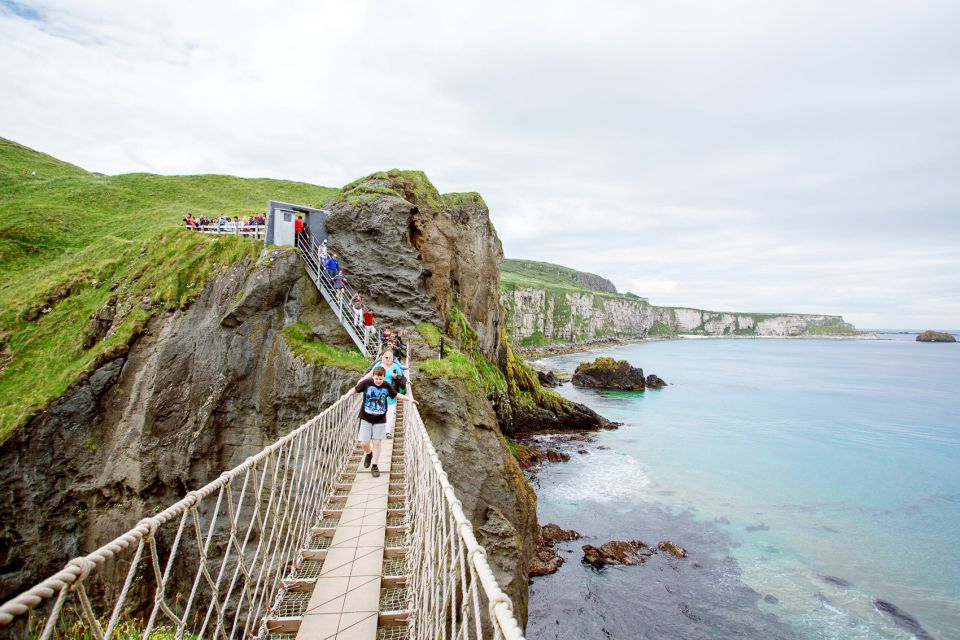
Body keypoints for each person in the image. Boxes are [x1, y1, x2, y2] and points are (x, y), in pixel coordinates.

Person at [354, 366, 417, 477]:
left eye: (381, 379)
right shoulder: (367, 383)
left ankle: (375, 466)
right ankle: (369, 454)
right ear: (373, 376)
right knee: (364, 443)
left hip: (380, 419)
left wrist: (409, 399)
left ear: (384, 378)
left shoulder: (386, 386)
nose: (378, 381)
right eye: (376, 378)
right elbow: (355, 389)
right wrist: (345, 396)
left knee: (377, 443)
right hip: (365, 417)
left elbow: (396, 395)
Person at [361, 351, 407, 440]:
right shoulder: (378, 365)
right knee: (377, 411)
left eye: (390, 357)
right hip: (377, 393)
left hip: (390, 392)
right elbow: (370, 374)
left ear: (393, 358)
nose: (388, 359)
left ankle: (387, 431)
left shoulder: (395, 366)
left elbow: (402, 380)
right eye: (386, 357)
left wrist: (396, 377)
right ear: (382, 357)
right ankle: (375, 431)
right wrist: (362, 381)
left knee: (389, 412)